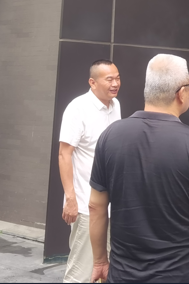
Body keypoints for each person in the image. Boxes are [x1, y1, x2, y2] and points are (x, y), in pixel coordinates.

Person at [88, 54, 189, 283]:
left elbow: (95, 207)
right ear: (181, 93)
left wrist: (99, 261)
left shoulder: (110, 137)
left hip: (122, 276)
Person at [58, 59, 121, 283]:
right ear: (92, 82)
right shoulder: (78, 108)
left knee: (106, 270)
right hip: (86, 205)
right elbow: (64, 154)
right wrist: (70, 198)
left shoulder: (115, 106)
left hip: (111, 205)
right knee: (82, 272)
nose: (115, 83)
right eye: (109, 79)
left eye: (118, 78)